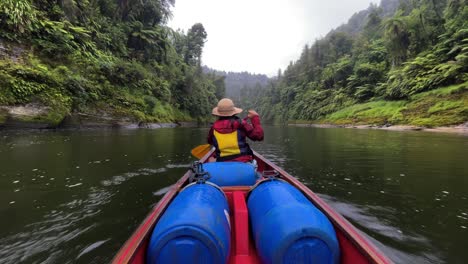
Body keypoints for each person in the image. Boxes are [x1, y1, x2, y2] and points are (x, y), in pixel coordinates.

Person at [207, 98, 264, 162]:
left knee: (210, 159)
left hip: (221, 160)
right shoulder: (241, 123)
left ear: (218, 113)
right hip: (243, 161)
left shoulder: (213, 128)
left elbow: (210, 141)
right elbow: (259, 136)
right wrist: (255, 117)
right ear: (234, 112)